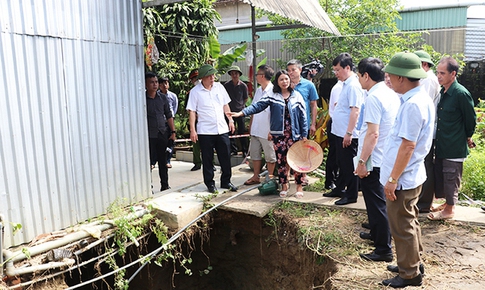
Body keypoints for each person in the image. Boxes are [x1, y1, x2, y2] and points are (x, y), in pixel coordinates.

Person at [380, 52, 435, 288]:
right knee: (409, 221)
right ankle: (411, 261)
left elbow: (408, 145)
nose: (389, 80)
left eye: (391, 76)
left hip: (403, 176)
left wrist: (392, 179)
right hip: (410, 174)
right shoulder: (416, 99)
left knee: (401, 226)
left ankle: (410, 273)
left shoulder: (413, 104)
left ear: (402, 78)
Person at [231, 70, 308, 198]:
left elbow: (303, 117)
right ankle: (284, 185)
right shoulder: (273, 95)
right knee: (282, 162)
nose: (284, 82)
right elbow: (258, 106)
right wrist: (242, 113)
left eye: (286, 79)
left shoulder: (297, 96)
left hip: (295, 135)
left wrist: (304, 135)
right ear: (277, 82)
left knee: (297, 162)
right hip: (279, 136)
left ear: (290, 81)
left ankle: (299, 187)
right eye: (281, 79)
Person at [354, 57, 400, 263]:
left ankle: (383, 249)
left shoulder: (373, 97)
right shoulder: (390, 93)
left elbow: (373, 134)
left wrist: (362, 162)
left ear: (366, 75)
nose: (358, 79)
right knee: (376, 203)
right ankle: (377, 234)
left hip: (375, 159)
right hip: (385, 155)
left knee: (376, 204)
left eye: (358, 75)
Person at [427, 56, 476, 221]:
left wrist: (467, 136)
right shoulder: (444, 91)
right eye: (437, 72)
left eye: (442, 73)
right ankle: (446, 204)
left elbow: (470, 119)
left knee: (451, 177)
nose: (438, 76)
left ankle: (450, 209)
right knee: (441, 175)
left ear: (453, 74)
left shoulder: (461, 93)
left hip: (454, 144)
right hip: (442, 143)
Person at [186, 64, 237, 193]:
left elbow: (225, 105)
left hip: (221, 129)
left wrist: (230, 120)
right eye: (209, 76)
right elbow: (192, 111)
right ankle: (210, 183)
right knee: (208, 159)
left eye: (213, 75)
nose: (212, 78)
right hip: (205, 131)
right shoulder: (195, 92)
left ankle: (226, 181)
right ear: (202, 78)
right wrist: (193, 130)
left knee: (225, 156)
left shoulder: (220, 88)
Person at [323, 53, 364, 206]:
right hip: (339, 132)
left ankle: (351, 194)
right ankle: (339, 188)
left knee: (348, 165)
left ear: (348, 68)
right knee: (341, 162)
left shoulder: (353, 85)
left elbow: (355, 111)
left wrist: (349, 133)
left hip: (348, 134)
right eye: (334, 70)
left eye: (338, 70)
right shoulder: (346, 84)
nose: (336, 73)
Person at [414, 50, 441, 213]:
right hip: (424, 129)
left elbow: (423, 105)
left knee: (426, 164)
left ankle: (424, 202)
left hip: (426, 130)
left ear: (424, 64)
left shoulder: (428, 80)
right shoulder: (426, 78)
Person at [243, 65, 277, 185]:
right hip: (256, 129)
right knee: (255, 154)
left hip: (267, 129)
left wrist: (272, 130)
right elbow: (253, 109)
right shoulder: (258, 90)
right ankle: (256, 176)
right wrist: (251, 126)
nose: (256, 77)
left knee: (270, 156)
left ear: (262, 76)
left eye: (257, 75)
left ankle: (270, 178)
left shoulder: (274, 91)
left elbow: (275, 114)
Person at [146, 72, 176, 191]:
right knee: (148, 163)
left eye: (156, 82)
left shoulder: (162, 98)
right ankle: (148, 186)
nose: (155, 84)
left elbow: (169, 115)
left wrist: (173, 132)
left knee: (163, 162)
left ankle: (165, 185)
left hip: (162, 133)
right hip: (148, 135)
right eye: (152, 82)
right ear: (146, 84)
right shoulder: (142, 99)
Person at [224, 65, 249, 156]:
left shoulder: (243, 86)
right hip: (230, 112)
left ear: (239, 75)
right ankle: (233, 150)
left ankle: (244, 150)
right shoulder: (226, 85)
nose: (234, 75)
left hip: (240, 112)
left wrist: (241, 106)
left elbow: (245, 98)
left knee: (242, 131)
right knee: (230, 131)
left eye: (236, 74)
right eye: (233, 74)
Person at [324, 80, 342, 191]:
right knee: (334, 154)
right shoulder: (339, 88)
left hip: (342, 124)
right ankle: (330, 181)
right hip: (336, 123)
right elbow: (337, 106)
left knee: (340, 156)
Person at [159, 77, 179, 169]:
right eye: (162, 83)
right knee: (159, 142)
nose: (165, 85)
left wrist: (171, 118)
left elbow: (175, 107)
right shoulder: (157, 95)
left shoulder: (173, 96)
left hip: (169, 121)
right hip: (159, 122)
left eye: (166, 83)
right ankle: (154, 161)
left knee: (170, 142)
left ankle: (168, 160)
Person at [186, 69, 202, 171]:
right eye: (194, 78)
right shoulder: (190, 93)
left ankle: (211, 163)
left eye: (198, 78)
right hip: (195, 122)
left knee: (208, 144)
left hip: (206, 121)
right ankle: (197, 163)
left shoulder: (209, 90)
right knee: (196, 144)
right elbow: (188, 109)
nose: (197, 80)